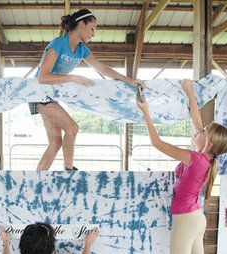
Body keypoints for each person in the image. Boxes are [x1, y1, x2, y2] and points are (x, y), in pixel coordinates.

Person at [137, 79, 227, 254]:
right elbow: (197, 122)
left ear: (208, 142)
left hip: (186, 220)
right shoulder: (206, 159)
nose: (199, 130)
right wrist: (190, 92)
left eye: (203, 131)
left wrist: (146, 111)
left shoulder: (195, 159)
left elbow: (157, 143)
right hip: (196, 218)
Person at [32, 8, 145, 171]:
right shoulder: (58, 43)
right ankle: (69, 171)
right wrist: (73, 78)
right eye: (92, 28)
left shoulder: (82, 50)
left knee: (55, 143)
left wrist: (131, 81)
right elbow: (43, 77)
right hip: (39, 93)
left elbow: (104, 69)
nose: (93, 34)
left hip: (52, 95)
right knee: (72, 129)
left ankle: (37, 182)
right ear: (81, 24)